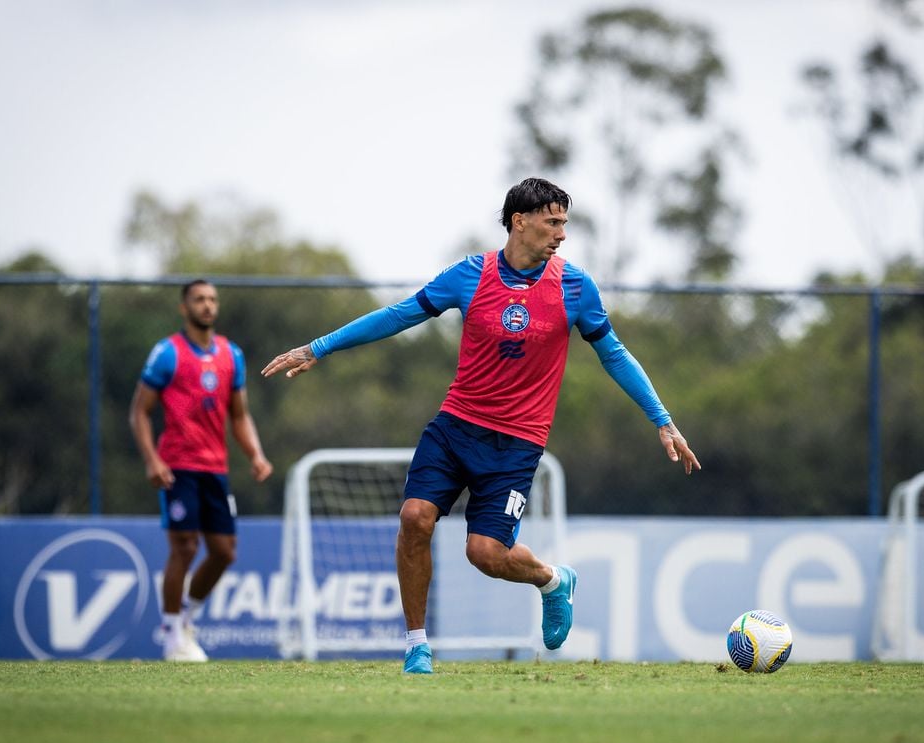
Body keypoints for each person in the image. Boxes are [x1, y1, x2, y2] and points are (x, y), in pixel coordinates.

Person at [261, 177, 699, 674]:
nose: (562, 234)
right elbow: (399, 315)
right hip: (454, 428)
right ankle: (417, 646)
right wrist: (317, 347)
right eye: (552, 222)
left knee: (486, 553)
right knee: (414, 518)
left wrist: (663, 421)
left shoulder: (576, 286)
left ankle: (554, 581)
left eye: (565, 224)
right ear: (519, 221)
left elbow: (614, 354)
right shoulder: (469, 275)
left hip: (516, 445)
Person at [130, 279, 273, 662]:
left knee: (224, 551)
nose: (207, 305)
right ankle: (171, 634)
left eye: (212, 299)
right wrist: (152, 459)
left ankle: (184, 619)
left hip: (215, 468)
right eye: (199, 299)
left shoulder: (232, 355)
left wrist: (255, 455)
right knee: (185, 547)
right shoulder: (167, 354)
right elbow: (139, 412)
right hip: (178, 466)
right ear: (184, 307)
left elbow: (239, 416)